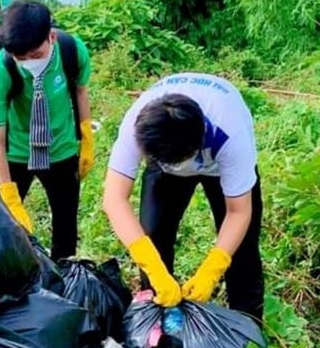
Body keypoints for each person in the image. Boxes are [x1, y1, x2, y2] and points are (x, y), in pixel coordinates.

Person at [102, 72, 264, 320]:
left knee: (242, 251)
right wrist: (151, 265)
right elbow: (114, 199)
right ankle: (157, 323)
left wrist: (213, 268)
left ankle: (247, 325)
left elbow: (239, 211)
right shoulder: (140, 126)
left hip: (217, 164)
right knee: (153, 237)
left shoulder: (231, 134)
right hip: (168, 152)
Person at [0, 1, 95, 261]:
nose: (28, 62)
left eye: (35, 55)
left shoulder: (71, 50)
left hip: (61, 149)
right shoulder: (3, 69)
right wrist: (8, 192)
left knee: (65, 225)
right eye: (21, 58)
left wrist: (86, 136)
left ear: (51, 37)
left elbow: (80, 90)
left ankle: (62, 276)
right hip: (16, 151)